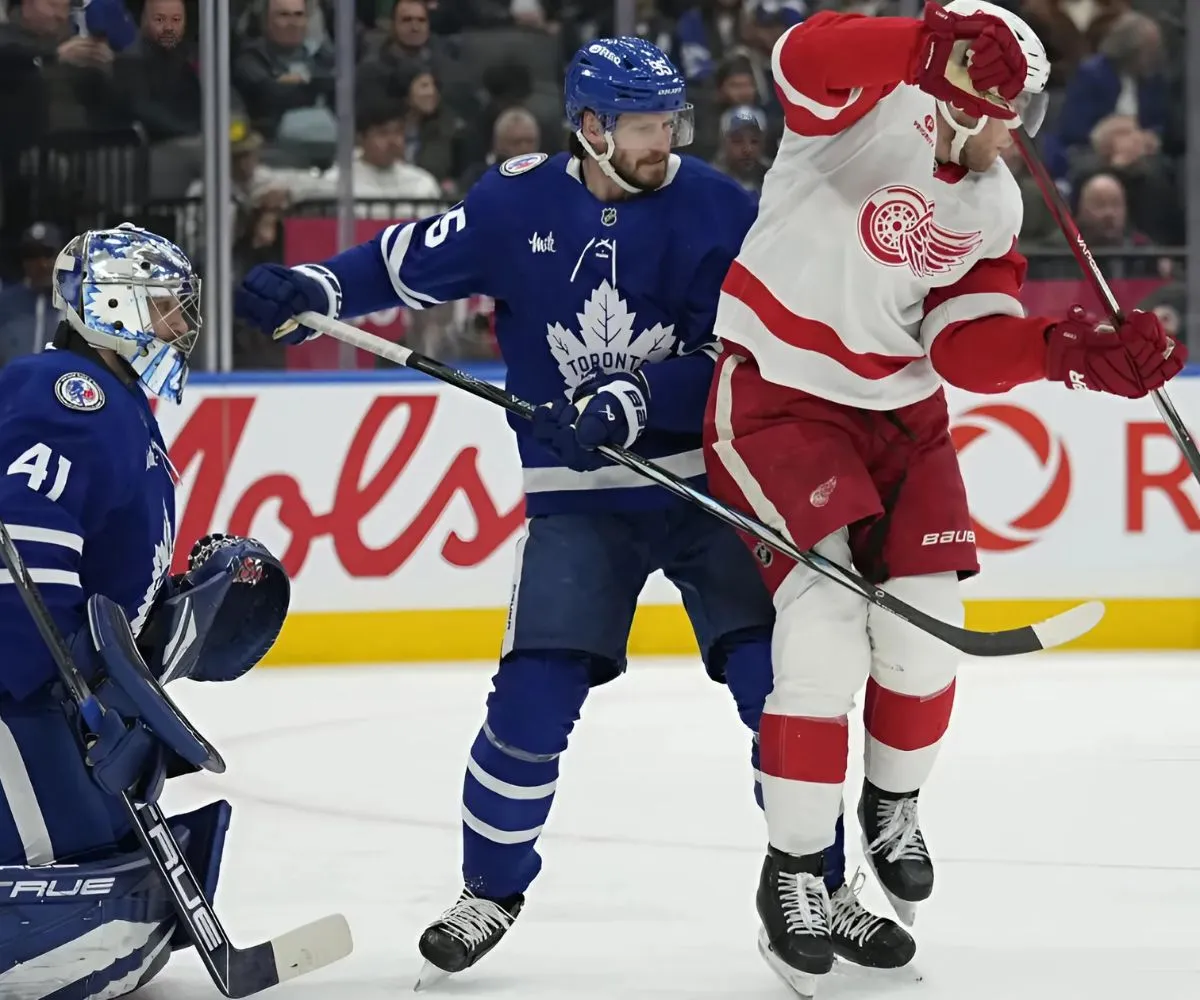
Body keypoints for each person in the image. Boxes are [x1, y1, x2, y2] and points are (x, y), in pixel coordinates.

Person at [233, 36, 914, 989]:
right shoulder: (515, 201)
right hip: (577, 503)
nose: (664, 140)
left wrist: (643, 397)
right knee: (530, 703)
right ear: (589, 127)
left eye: (671, 121)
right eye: (643, 125)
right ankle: (489, 889)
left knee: (779, 690)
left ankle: (815, 884)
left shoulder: (720, 207)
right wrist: (318, 287)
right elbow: (403, 261)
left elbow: (746, 355)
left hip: (708, 489)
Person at [699, 2, 1189, 995]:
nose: (1021, 129)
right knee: (830, 617)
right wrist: (930, 45)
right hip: (781, 395)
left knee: (930, 624)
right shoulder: (865, 107)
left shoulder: (996, 201)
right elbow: (804, 52)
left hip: (901, 412)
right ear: (976, 86)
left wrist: (1076, 357)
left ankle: (893, 804)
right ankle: (793, 869)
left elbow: (963, 344)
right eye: (1015, 101)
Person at [0, 223, 290, 998]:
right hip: (15, 692)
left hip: (44, 695)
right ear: (113, 307)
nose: (182, 326)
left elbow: (101, 583)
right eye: (166, 307)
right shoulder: (66, 391)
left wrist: (174, 617)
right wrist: (58, 685)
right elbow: (21, 549)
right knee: (66, 857)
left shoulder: (124, 413)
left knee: (106, 845)